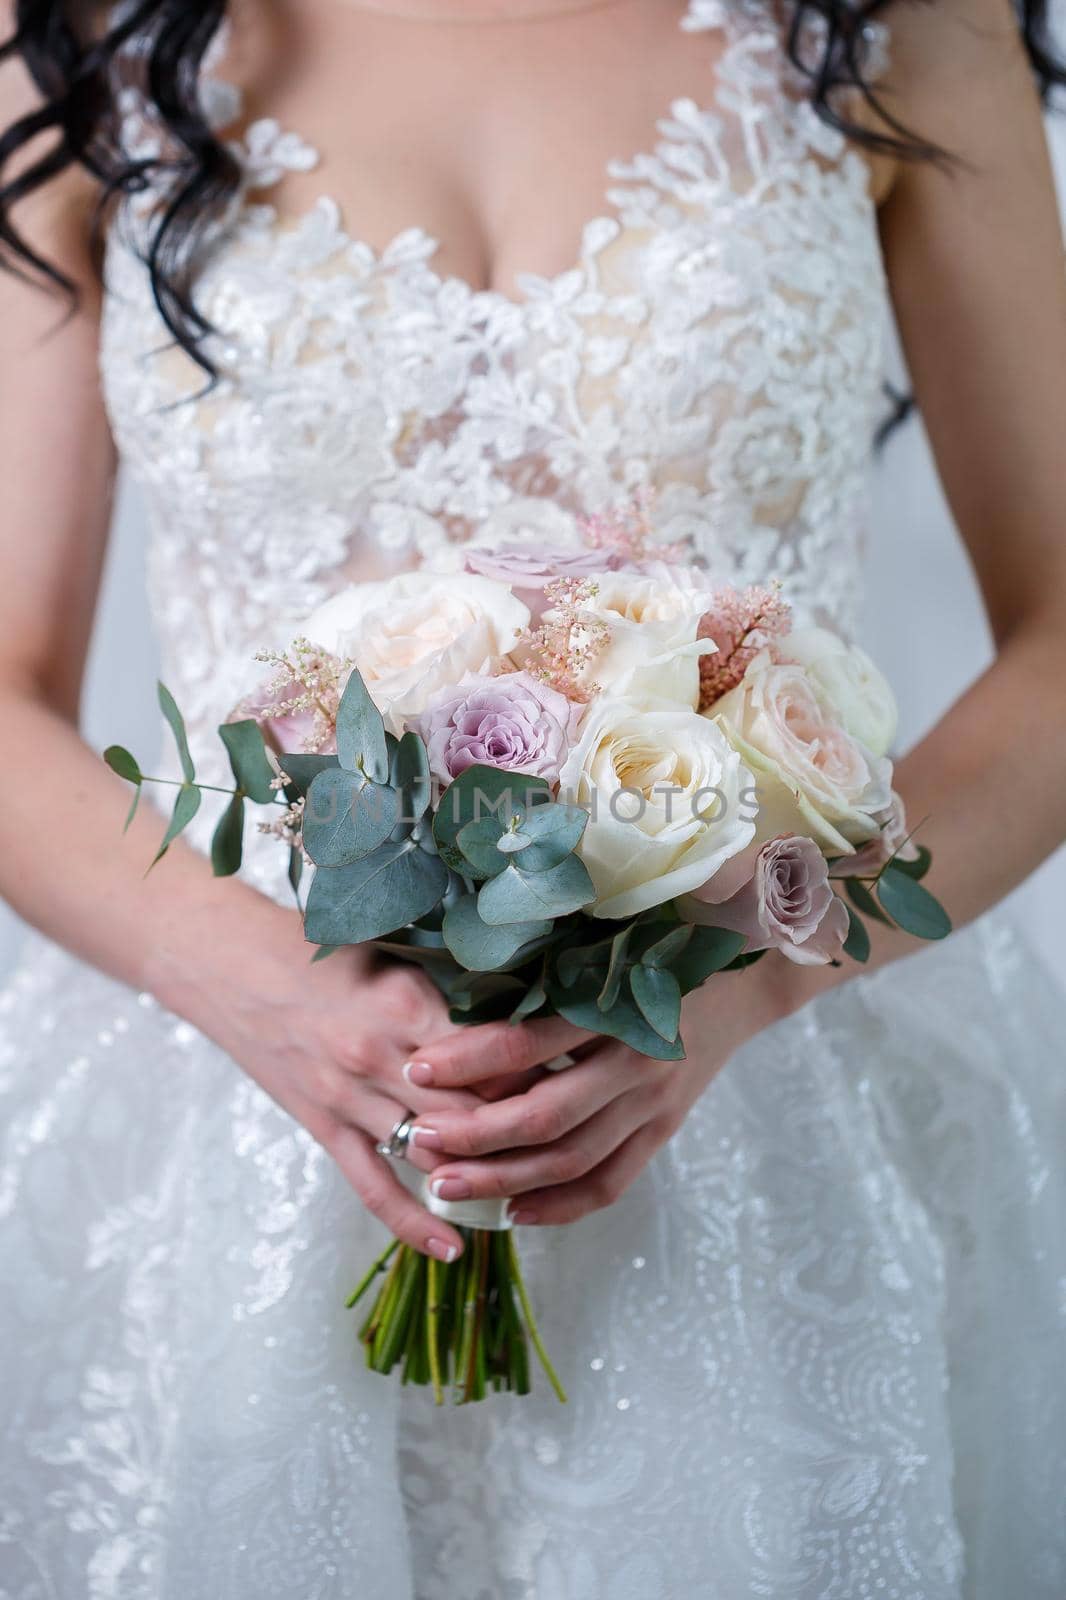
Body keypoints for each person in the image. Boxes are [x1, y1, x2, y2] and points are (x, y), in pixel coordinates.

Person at [1, 0, 1065, 1593]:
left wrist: (749, 982)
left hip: (778, 1091)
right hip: (229, 1103)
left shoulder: (898, 22)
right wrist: (266, 993)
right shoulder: (85, 35)